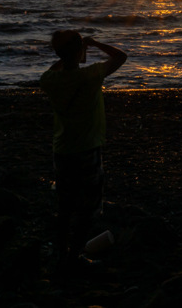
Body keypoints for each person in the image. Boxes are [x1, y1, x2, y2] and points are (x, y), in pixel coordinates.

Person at [39, 30, 127, 269]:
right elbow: (121, 56)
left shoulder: (49, 80)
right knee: (88, 210)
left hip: (62, 150)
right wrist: (94, 43)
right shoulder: (91, 75)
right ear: (79, 52)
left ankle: (61, 253)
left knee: (65, 207)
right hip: (88, 149)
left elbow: (56, 69)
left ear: (58, 54)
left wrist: (71, 54)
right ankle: (75, 256)